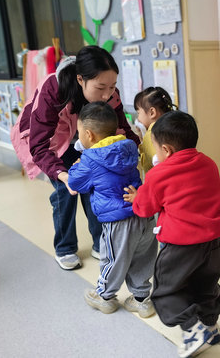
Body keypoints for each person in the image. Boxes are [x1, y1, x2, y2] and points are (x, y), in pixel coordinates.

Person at [10, 45, 140, 271]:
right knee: (65, 191)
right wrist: (62, 175)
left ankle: (100, 243)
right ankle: (65, 247)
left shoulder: (110, 93)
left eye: (112, 86)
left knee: (96, 185)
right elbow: (39, 145)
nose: (107, 94)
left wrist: (139, 150)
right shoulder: (54, 88)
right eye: (101, 87)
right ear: (80, 79)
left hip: (87, 141)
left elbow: (122, 127)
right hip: (52, 143)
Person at [123, 111, 220, 358]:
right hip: (213, 241)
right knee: (206, 285)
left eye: (155, 148)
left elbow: (145, 208)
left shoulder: (159, 174)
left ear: (167, 150)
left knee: (167, 290)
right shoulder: (209, 163)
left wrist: (137, 197)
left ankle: (192, 328)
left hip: (181, 245)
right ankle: (210, 327)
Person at [67, 102, 157, 316]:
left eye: (79, 132)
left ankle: (105, 297)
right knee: (142, 257)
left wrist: (76, 166)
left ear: (88, 134)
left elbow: (75, 183)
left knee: (113, 259)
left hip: (118, 221)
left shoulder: (90, 159)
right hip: (143, 213)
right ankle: (142, 299)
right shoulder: (128, 147)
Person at [133, 86, 176, 175]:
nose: (138, 118)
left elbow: (156, 164)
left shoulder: (152, 134)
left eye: (138, 113)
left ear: (152, 112)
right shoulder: (173, 127)